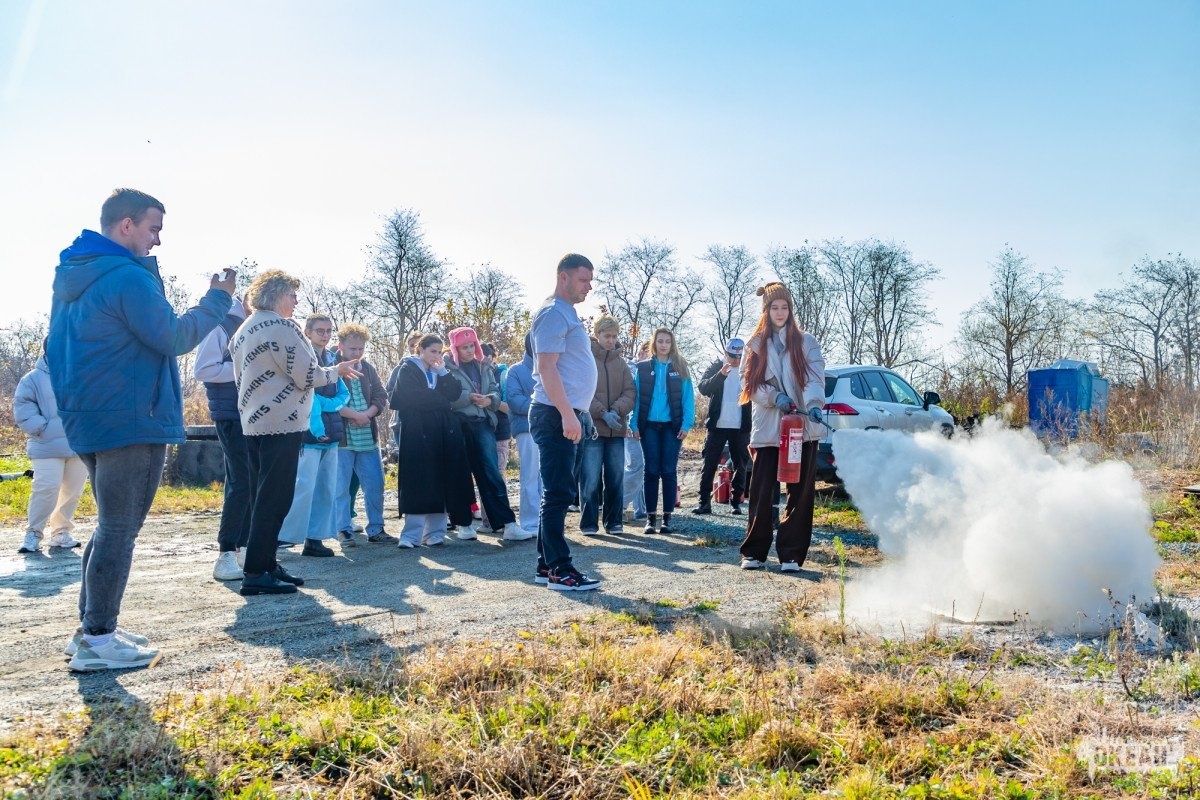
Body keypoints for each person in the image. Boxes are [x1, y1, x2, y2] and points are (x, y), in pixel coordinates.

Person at [47, 188, 233, 671]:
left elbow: (54, 349)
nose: (156, 242)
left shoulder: (75, 276)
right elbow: (173, 336)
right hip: (133, 419)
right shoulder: (126, 276)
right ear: (125, 225)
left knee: (110, 525)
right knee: (118, 529)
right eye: (153, 229)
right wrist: (216, 302)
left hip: (89, 417)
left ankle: (89, 627)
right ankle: (99, 640)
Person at [230, 271, 360, 596]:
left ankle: (266, 563)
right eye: (292, 294)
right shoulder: (282, 327)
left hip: (254, 421)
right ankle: (258, 571)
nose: (296, 301)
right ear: (276, 295)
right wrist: (337, 370)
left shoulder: (245, 328)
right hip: (282, 423)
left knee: (263, 495)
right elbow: (308, 375)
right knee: (275, 498)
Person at [738, 282, 826, 573]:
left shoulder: (807, 342)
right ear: (766, 311)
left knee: (800, 493)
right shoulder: (754, 345)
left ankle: (791, 554)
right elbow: (748, 383)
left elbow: (816, 377)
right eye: (774, 307)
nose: (779, 312)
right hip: (768, 427)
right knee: (762, 490)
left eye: (784, 307)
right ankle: (754, 552)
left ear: (790, 310)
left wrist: (813, 404)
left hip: (803, 426)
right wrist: (775, 397)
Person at [530, 254, 601, 590]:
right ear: (564, 277)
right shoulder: (552, 314)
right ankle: (561, 570)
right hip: (555, 414)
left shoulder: (566, 313)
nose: (589, 286)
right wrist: (568, 414)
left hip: (568, 413)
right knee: (558, 493)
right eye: (584, 280)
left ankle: (546, 565)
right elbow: (547, 369)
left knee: (558, 492)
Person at [445, 326, 531, 542]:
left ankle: (507, 524)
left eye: (471, 345)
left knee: (492, 474)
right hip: (459, 424)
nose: (468, 350)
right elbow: (447, 395)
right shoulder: (446, 367)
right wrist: (469, 398)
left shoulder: (484, 365)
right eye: (463, 347)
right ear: (455, 348)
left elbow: (494, 389)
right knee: (460, 475)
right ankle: (464, 523)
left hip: (483, 422)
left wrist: (489, 400)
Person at [390, 334, 474, 547]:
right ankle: (411, 536)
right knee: (418, 481)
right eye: (432, 351)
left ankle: (435, 533)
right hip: (417, 432)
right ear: (421, 350)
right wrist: (441, 401)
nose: (436, 356)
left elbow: (454, 394)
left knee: (441, 478)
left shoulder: (439, 371)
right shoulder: (408, 368)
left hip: (441, 431)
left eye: (439, 352)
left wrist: (443, 372)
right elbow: (411, 397)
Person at [277, 314, 347, 557]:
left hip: (332, 429)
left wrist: (328, 404)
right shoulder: (302, 355)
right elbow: (303, 391)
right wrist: (325, 402)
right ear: (308, 332)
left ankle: (315, 538)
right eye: (320, 330)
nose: (325, 335)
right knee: (303, 486)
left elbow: (341, 393)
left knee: (326, 487)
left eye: (328, 331)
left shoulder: (333, 358)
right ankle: (284, 536)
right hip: (307, 430)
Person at [194, 292, 253, 580]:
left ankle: (242, 549)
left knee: (252, 482)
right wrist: (247, 370)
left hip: (256, 414)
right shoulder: (221, 325)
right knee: (241, 482)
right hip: (231, 414)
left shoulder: (254, 326)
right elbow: (203, 369)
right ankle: (225, 554)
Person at [14, 349, 87, 553]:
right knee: (46, 488)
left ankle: (61, 532)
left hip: (79, 444)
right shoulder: (32, 379)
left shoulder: (81, 373)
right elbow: (23, 407)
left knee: (72, 492)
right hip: (46, 445)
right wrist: (42, 428)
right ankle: (33, 533)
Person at [333, 323, 395, 546]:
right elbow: (328, 397)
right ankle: (343, 530)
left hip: (368, 437)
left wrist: (367, 415)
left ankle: (376, 529)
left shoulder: (368, 368)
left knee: (375, 484)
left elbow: (380, 394)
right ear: (341, 347)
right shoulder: (332, 368)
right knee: (341, 488)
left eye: (360, 349)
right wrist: (352, 415)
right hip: (343, 439)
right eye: (352, 349)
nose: (357, 353)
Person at [630, 327, 694, 535]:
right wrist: (634, 423)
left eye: (667, 341)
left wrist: (686, 425)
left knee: (668, 471)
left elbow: (688, 398)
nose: (664, 345)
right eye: (660, 341)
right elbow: (637, 398)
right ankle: (650, 519)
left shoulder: (681, 367)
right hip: (648, 426)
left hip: (671, 427)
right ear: (654, 343)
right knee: (651, 471)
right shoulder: (642, 368)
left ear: (672, 343)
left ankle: (666, 519)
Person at [580, 315, 636, 535]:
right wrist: (602, 413)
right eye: (607, 336)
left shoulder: (621, 363)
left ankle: (613, 522)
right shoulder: (586, 359)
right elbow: (582, 391)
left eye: (614, 336)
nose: (611, 340)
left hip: (617, 431)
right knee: (590, 479)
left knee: (615, 477)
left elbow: (630, 392)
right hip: (592, 430)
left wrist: (616, 411)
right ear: (597, 335)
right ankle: (588, 523)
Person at [692, 337, 752, 516]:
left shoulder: (748, 370)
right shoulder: (717, 366)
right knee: (709, 463)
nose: (735, 360)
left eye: (739, 357)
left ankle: (735, 503)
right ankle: (704, 503)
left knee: (741, 465)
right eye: (733, 356)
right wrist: (720, 375)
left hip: (741, 426)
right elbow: (703, 388)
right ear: (726, 353)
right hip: (717, 426)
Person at [505, 333, 540, 534]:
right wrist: (543, 408)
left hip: (551, 429)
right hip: (526, 429)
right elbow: (515, 401)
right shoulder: (516, 370)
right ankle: (530, 522)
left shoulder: (553, 367)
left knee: (548, 477)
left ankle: (547, 521)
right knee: (530, 475)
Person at [622, 339, 651, 521]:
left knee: (645, 467)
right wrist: (626, 423)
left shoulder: (653, 371)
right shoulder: (630, 369)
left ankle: (642, 509)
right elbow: (626, 397)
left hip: (649, 426)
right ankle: (618, 503)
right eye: (647, 353)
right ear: (641, 353)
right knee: (636, 466)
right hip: (631, 426)